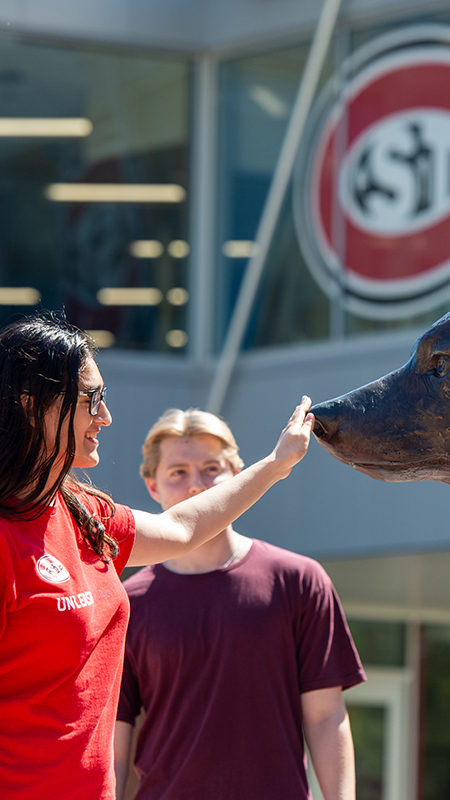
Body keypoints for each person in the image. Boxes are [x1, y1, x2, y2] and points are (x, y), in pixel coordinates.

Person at [0, 313, 314, 800]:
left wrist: (275, 466)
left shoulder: (86, 514)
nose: (105, 417)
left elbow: (181, 527)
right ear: (30, 404)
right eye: (92, 399)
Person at [114, 408, 366, 800]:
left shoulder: (298, 580)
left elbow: (325, 716)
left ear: (237, 474)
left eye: (211, 468)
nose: (197, 485)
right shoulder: (126, 603)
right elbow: (113, 738)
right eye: (178, 472)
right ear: (152, 486)